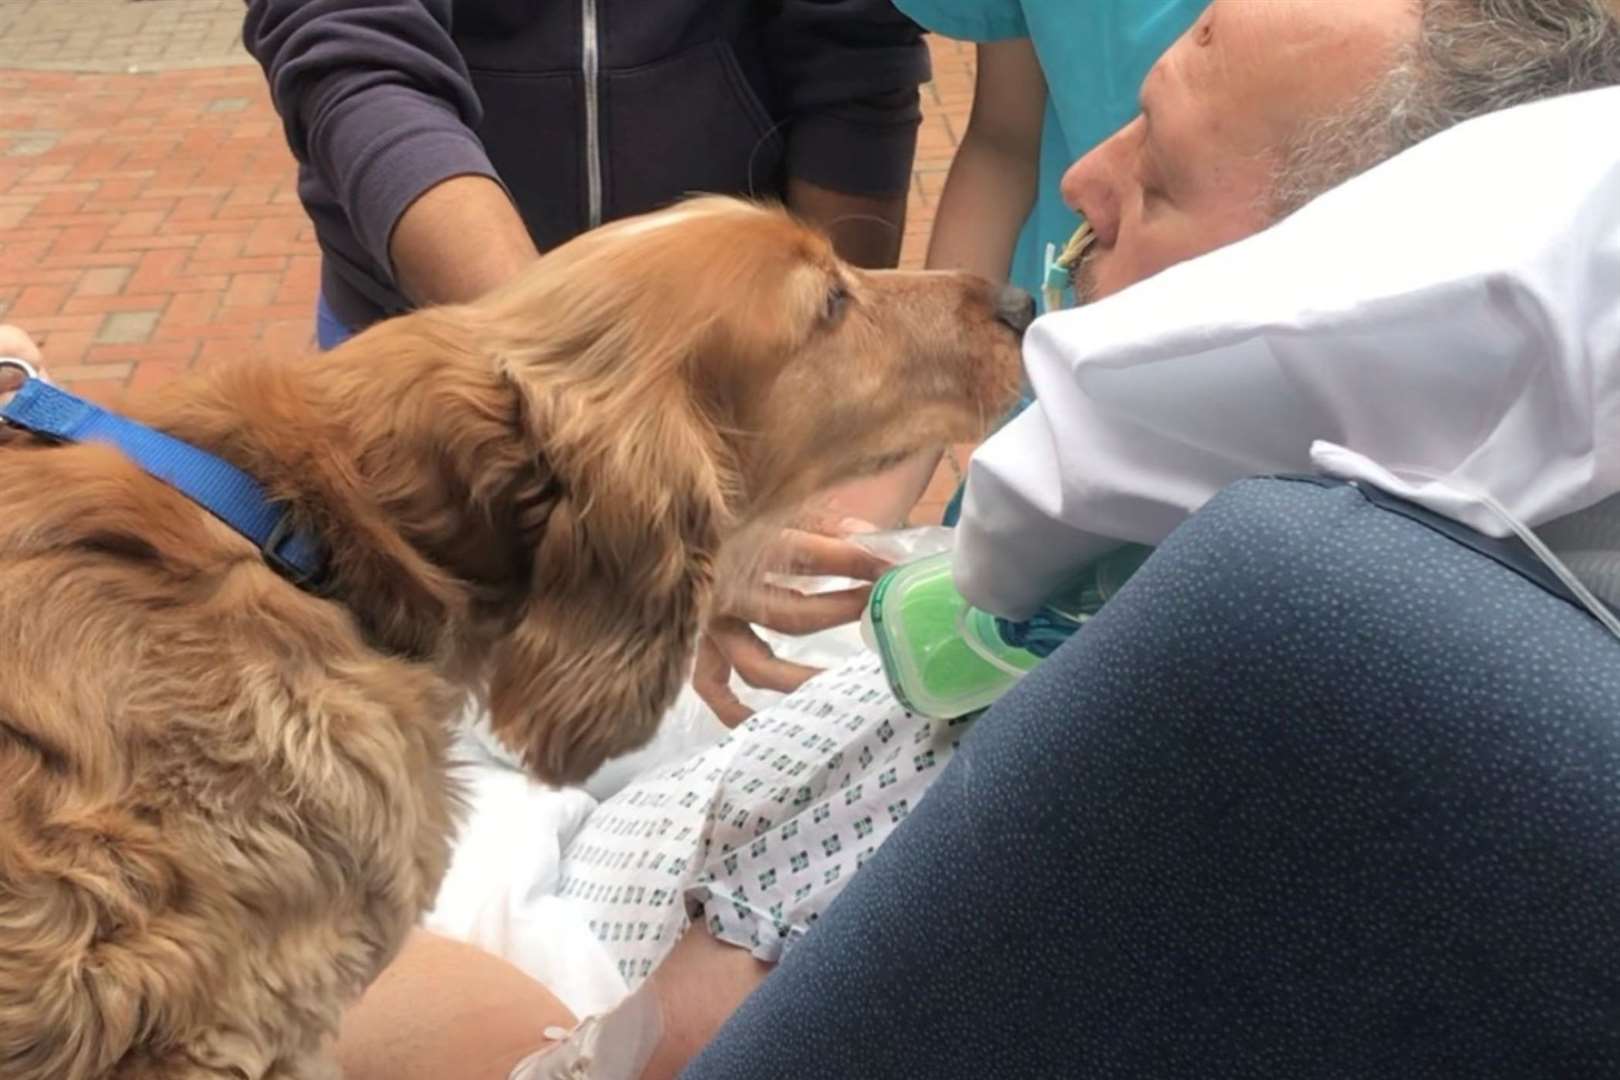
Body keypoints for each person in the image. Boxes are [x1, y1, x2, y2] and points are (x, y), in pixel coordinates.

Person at [326, 2, 1620, 1078]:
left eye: (1158, 177)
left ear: (1333, 309)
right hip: (631, 793)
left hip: (544, 938)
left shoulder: (1218, 669)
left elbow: (622, 1046)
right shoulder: (1144, 577)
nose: (1081, 176)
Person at [240, 0, 931, 728]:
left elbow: (852, 49)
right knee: (408, 729)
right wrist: (612, 452)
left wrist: (819, 362)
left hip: (739, 372)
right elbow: (358, 57)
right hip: (437, 363)